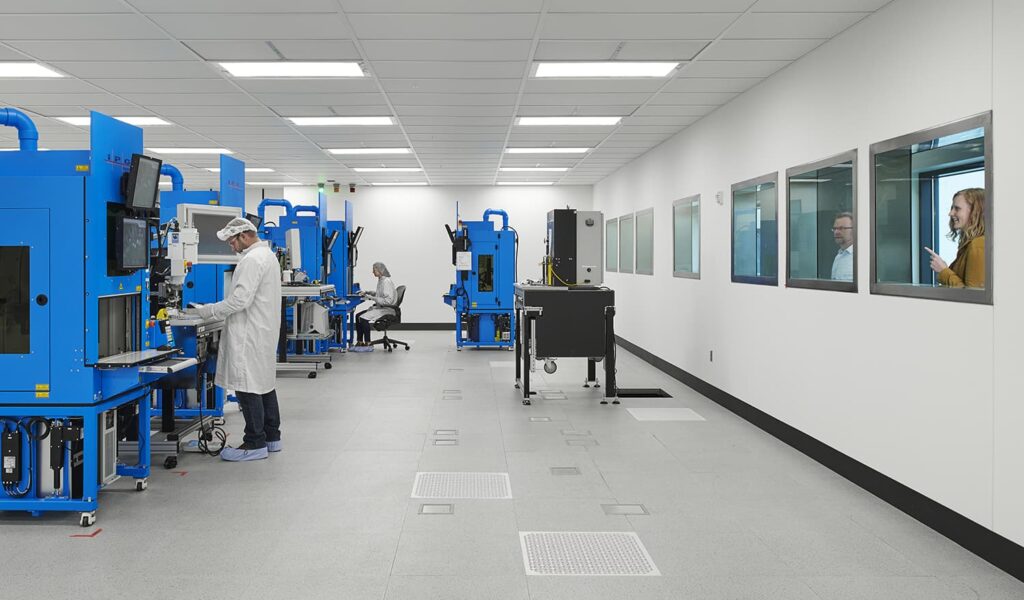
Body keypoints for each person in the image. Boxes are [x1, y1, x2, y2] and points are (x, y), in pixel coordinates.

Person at [191, 217, 283, 461]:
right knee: (264, 383)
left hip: (249, 333)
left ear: (243, 236)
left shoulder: (252, 260)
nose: (231, 247)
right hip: (262, 330)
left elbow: (239, 300)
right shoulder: (268, 256)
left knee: (246, 385)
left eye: (232, 241)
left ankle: (254, 443)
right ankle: (272, 437)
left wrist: (208, 310)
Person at [925, 188, 986, 289]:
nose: (950, 213)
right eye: (952, 208)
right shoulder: (973, 243)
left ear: (976, 212)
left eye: (957, 208)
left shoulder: (979, 244)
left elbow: (973, 296)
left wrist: (943, 271)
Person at [352, 262, 396, 351]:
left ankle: (368, 343)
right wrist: (368, 292)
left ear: (380, 270)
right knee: (357, 316)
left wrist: (371, 298)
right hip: (382, 307)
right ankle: (360, 342)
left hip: (387, 309)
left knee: (363, 318)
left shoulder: (386, 282)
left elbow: (387, 300)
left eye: (374, 269)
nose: (372, 272)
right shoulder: (381, 280)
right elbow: (381, 294)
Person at [830, 212, 854, 281]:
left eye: (841, 228)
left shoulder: (860, 257)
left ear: (854, 230)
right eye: (835, 228)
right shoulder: (838, 257)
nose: (836, 232)